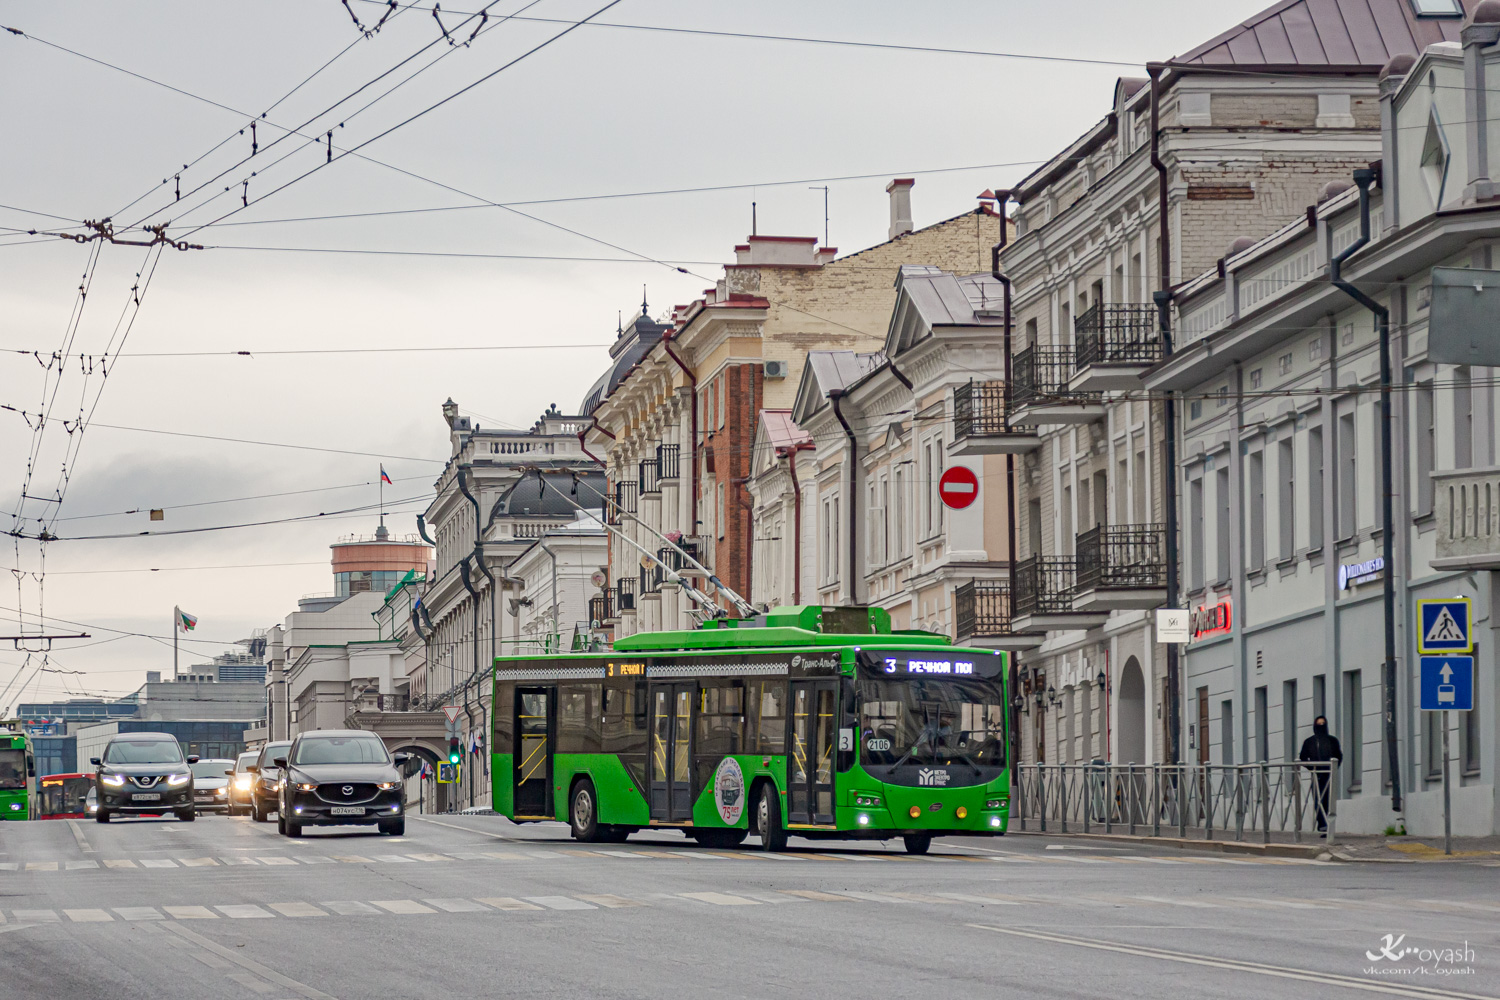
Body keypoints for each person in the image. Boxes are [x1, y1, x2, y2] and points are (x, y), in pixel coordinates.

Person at [1298, 716, 1343, 836]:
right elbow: (1302, 758)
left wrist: (1334, 768)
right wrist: (1312, 768)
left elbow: (1339, 755)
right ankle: (1322, 825)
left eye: (1323, 724)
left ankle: (1328, 827)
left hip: (1329, 775)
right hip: (1317, 775)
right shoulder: (1309, 742)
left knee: (1328, 801)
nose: (1321, 726)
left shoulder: (1332, 741)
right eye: (1319, 724)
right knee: (1318, 800)